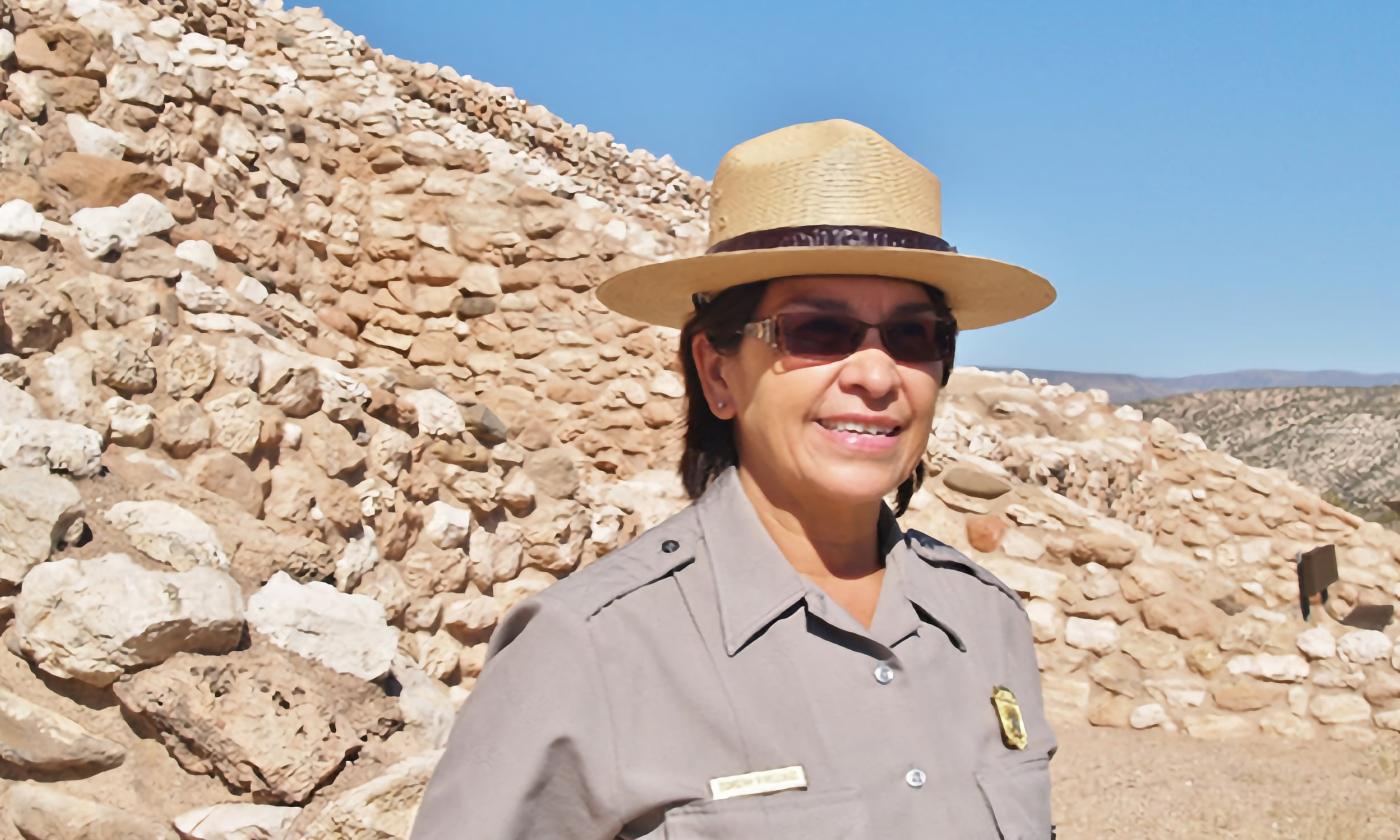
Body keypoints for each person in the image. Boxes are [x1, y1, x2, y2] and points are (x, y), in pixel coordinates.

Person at [411, 118, 1058, 839]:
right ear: (718, 373)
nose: (877, 375)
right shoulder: (593, 646)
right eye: (818, 331)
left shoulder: (986, 622)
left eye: (914, 336)